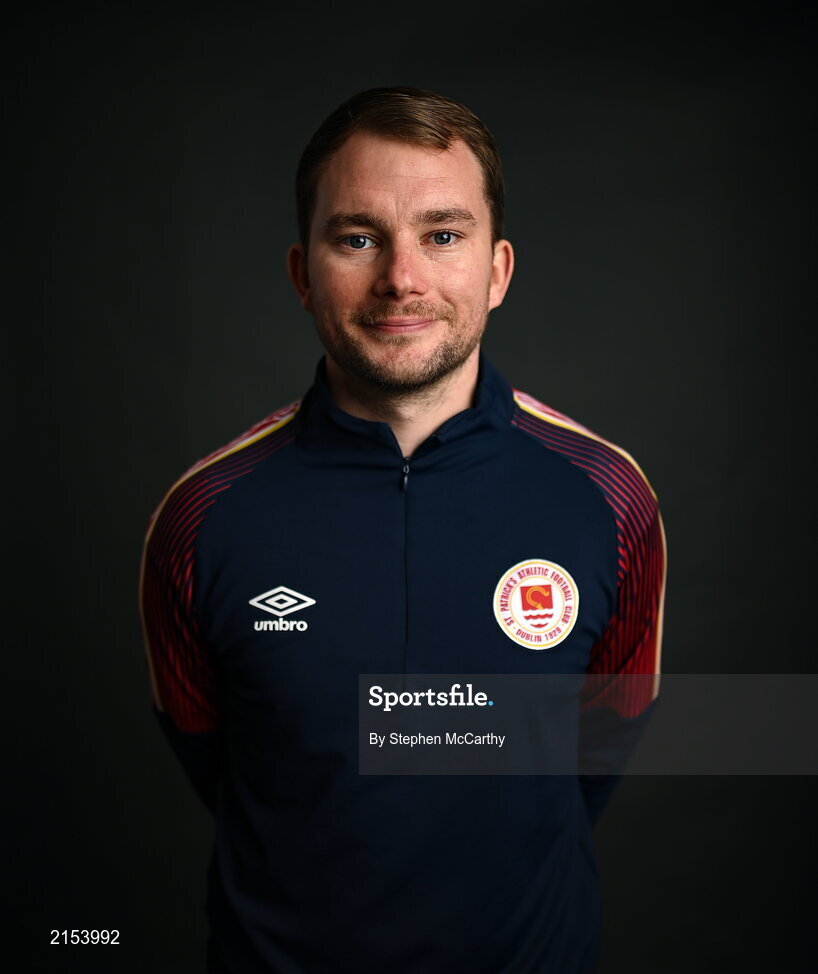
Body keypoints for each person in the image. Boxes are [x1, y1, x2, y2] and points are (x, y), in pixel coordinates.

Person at [140, 86, 666, 974]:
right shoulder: (202, 515)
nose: (402, 279)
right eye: (357, 238)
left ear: (497, 271)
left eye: (443, 234)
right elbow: (222, 762)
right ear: (303, 272)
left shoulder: (609, 496)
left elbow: (603, 741)